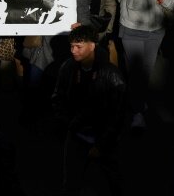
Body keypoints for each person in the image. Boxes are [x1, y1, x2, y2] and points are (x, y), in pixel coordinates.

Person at [114, 0, 174, 129]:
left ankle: (138, 104)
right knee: (136, 72)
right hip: (131, 29)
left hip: (155, 31)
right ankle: (137, 112)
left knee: (146, 71)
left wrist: (165, 0)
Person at [52, 25, 126, 196]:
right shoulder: (68, 68)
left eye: (79, 46)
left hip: (103, 137)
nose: (73, 51)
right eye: (71, 46)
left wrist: (102, 144)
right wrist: (68, 123)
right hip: (76, 133)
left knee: (112, 181)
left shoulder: (110, 74)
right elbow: (58, 98)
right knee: (71, 181)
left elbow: (118, 113)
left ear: (92, 45)